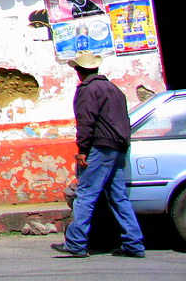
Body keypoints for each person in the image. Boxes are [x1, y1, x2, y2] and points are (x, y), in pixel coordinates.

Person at [51, 51, 145, 259]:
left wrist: (82, 150)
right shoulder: (114, 90)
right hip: (118, 148)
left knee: (85, 194)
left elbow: (86, 122)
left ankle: (76, 242)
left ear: (78, 71)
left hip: (100, 148)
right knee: (119, 197)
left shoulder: (87, 90)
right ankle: (134, 243)